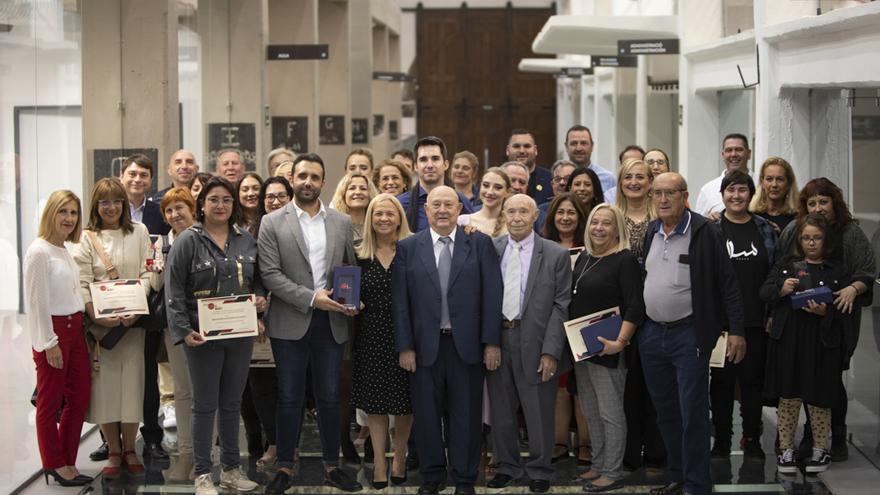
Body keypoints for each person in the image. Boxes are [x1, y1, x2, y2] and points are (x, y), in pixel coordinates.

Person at [258, 153, 363, 494]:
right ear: (293, 180)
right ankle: (286, 466)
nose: (307, 182)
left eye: (314, 177)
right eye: (302, 175)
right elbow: (270, 276)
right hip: (290, 320)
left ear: (323, 181)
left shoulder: (341, 222)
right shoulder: (272, 222)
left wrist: (353, 297)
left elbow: (349, 266)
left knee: (330, 397)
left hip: (331, 322)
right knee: (289, 397)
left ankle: (333, 466)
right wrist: (311, 297)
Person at [393, 186, 503, 495]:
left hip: (466, 348)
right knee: (426, 417)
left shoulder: (479, 244)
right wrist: (405, 347)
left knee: (465, 417)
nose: (442, 210)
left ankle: (464, 478)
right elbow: (401, 302)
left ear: (459, 210)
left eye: (449, 205)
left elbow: (492, 296)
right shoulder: (408, 247)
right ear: (426, 210)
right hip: (424, 349)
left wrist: (491, 342)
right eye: (436, 205)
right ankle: (431, 476)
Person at [640, 172, 745, 495]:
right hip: (653, 334)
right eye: (656, 193)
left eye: (669, 193)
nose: (662, 200)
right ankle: (678, 476)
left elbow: (728, 283)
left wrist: (737, 331)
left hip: (690, 334)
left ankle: (698, 484)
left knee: (693, 411)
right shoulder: (652, 231)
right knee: (666, 411)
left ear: (684, 196)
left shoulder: (704, 231)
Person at [164, 176, 263, 495]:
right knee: (205, 405)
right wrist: (183, 331)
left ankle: (232, 470)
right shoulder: (187, 241)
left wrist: (260, 306)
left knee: (232, 403)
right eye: (213, 200)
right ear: (202, 205)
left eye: (226, 200)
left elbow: (258, 282)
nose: (220, 206)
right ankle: (203, 475)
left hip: (240, 335)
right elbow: (174, 292)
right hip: (201, 337)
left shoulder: (245, 239)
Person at [776, 177, 875, 461]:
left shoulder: (851, 232)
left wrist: (852, 288)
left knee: (829, 376)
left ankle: (836, 436)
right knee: (802, 376)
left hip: (839, 316)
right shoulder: (795, 229)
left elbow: (867, 271)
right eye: (812, 202)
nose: (818, 208)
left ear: (835, 203)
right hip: (799, 319)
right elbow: (780, 269)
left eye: (824, 201)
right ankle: (807, 438)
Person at [761, 213, 865, 474]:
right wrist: (781, 290)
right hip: (789, 340)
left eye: (817, 238)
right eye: (806, 238)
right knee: (789, 396)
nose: (811, 243)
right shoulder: (786, 265)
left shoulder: (837, 270)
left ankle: (821, 447)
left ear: (826, 240)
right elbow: (764, 292)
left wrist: (825, 312)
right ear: (799, 239)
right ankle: (786, 449)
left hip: (820, 342)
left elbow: (845, 310)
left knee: (819, 397)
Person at [485, 194, 571, 494]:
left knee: (538, 410)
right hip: (499, 338)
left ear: (535, 216)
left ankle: (539, 469)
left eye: (524, 211)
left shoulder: (555, 254)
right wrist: (489, 342)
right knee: (501, 409)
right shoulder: (491, 249)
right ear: (503, 216)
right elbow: (483, 299)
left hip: (536, 340)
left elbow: (561, 306)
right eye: (511, 211)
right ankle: (506, 466)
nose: (517, 217)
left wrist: (551, 350)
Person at [72, 178, 152, 479]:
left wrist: (136, 305)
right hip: (101, 331)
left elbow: (147, 271)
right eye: (104, 202)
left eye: (116, 201)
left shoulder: (140, 232)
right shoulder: (86, 237)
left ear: (124, 204)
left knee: (132, 387)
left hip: (132, 326)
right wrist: (95, 314)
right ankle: (114, 450)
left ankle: (130, 447)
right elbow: (80, 281)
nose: (111, 207)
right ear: (96, 205)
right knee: (105, 390)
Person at [570, 204, 645, 492]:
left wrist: (620, 342)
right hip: (583, 348)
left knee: (611, 412)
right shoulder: (584, 258)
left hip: (610, 349)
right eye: (594, 223)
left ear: (618, 229)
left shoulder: (624, 260)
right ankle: (598, 464)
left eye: (606, 224)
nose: (599, 228)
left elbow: (635, 306)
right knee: (591, 410)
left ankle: (612, 471)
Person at [25, 190, 92, 487]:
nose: (68, 218)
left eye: (73, 213)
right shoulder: (39, 251)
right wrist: (48, 343)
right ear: (50, 213)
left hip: (75, 328)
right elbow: (36, 302)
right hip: (53, 331)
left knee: (78, 398)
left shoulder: (64, 249)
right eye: (62, 211)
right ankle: (53, 464)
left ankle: (68, 460)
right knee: (49, 403)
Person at [709, 170, 777, 460]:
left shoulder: (765, 229)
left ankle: (752, 438)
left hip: (756, 320)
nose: (736, 196)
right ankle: (722, 440)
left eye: (742, 190)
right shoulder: (712, 230)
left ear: (751, 194)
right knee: (722, 385)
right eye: (730, 190)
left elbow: (776, 272)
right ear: (722, 195)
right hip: (721, 324)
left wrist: (772, 312)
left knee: (752, 384)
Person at [353, 194, 415, 489]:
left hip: (405, 338)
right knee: (375, 404)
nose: (384, 219)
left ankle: (400, 454)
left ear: (400, 217)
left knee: (404, 403)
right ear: (370, 219)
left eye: (390, 214)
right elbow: (347, 294)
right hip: (370, 337)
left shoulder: (412, 251)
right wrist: (348, 304)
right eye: (378, 214)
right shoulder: (359, 255)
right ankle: (379, 461)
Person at [614, 159, 665, 472]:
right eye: (628, 177)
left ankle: (658, 452)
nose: (634, 182)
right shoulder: (611, 216)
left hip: (656, 312)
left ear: (650, 182)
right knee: (626, 388)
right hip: (617, 313)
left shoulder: (660, 217)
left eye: (640, 177)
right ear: (621, 182)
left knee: (654, 386)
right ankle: (629, 452)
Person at [540, 192, 593, 466]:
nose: (565, 217)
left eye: (571, 213)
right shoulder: (542, 247)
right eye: (560, 213)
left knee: (582, 387)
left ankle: (585, 443)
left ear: (580, 217)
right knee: (559, 386)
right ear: (552, 217)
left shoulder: (591, 246)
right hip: (554, 325)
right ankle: (559, 442)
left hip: (584, 323)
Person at [152, 187, 197, 481]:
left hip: (205, 323)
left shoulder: (205, 237)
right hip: (174, 325)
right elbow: (156, 286)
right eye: (169, 210)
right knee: (182, 391)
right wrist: (156, 268)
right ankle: (185, 453)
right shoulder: (160, 243)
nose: (174, 214)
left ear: (192, 209)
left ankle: (207, 454)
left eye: (180, 207)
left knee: (207, 392)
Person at [398, 136, 475, 232]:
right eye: (423, 159)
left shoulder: (461, 201)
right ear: (416, 166)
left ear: (446, 165)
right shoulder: (401, 204)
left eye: (435, 159)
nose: (430, 165)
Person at [694, 133, 752, 217]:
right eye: (729, 150)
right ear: (723, 155)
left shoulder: (761, 184)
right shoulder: (708, 190)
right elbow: (698, 225)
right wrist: (708, 221)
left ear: (749, 153)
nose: (734, 154)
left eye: (739, 149)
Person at [564, 125, 616, 202]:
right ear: (566, 146)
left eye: (584, 143)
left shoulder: (608, 179)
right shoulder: (559, 178)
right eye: (574, 143)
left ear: (592, 146)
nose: (579, 148)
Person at [749, 156, 799, 232]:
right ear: (762, 182)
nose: (774, 185)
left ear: (789, 183)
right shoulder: (751, 215)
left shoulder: (798, 218)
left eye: (780, 179)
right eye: (769, 179)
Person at [457, 167, 511, 237]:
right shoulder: (462, 221)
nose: (490, 192)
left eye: (497, 187)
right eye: (486, 185)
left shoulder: (512, 224)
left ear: (508, 192)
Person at [331, 172, 379, 247]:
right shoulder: (334, 227)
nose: (358, 192)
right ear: (343, 195)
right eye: (352, 188)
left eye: (363, 188)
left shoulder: (378, 226)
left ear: (370, 194)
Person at [506, 129, 552, 204]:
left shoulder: (549, 179)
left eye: (527, 146)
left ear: (535, 150)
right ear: (507, 150)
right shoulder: (498, 178)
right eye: (516, 146)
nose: (522, 151)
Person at [535, 160, 577, 231]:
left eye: (567, 179)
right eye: (557, 179)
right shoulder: (541, 211)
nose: (562, 183)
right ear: (552, 184)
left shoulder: (583, 209)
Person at [238, 172, 263, 237]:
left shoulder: (269, 220)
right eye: (245, 190)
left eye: (256, 188)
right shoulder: (231, 222)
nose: (251, 193)